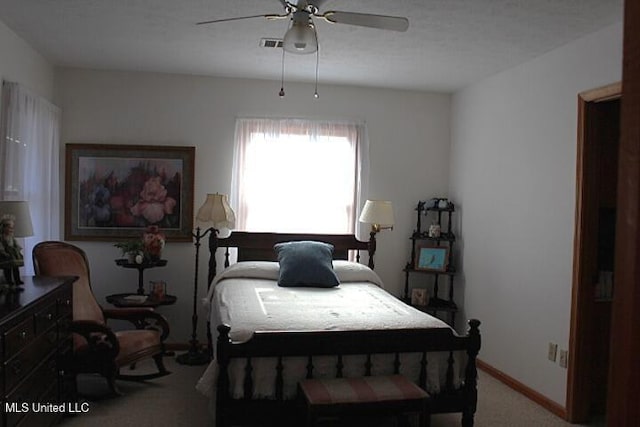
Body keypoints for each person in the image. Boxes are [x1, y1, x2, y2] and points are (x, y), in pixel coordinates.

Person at [0, 215, 24, 285]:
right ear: (4, 228)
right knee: (7, 269)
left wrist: (18, 248)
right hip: (6, 256)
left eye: (12, 228)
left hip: (13, 254)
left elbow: (15, 243)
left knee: (15, 268)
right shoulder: (2, 238)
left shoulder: (11, 237)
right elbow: (1, 246)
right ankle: (9, 281)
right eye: (9, 228)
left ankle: (17, 280)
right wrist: (3, 252)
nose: (11, 230)